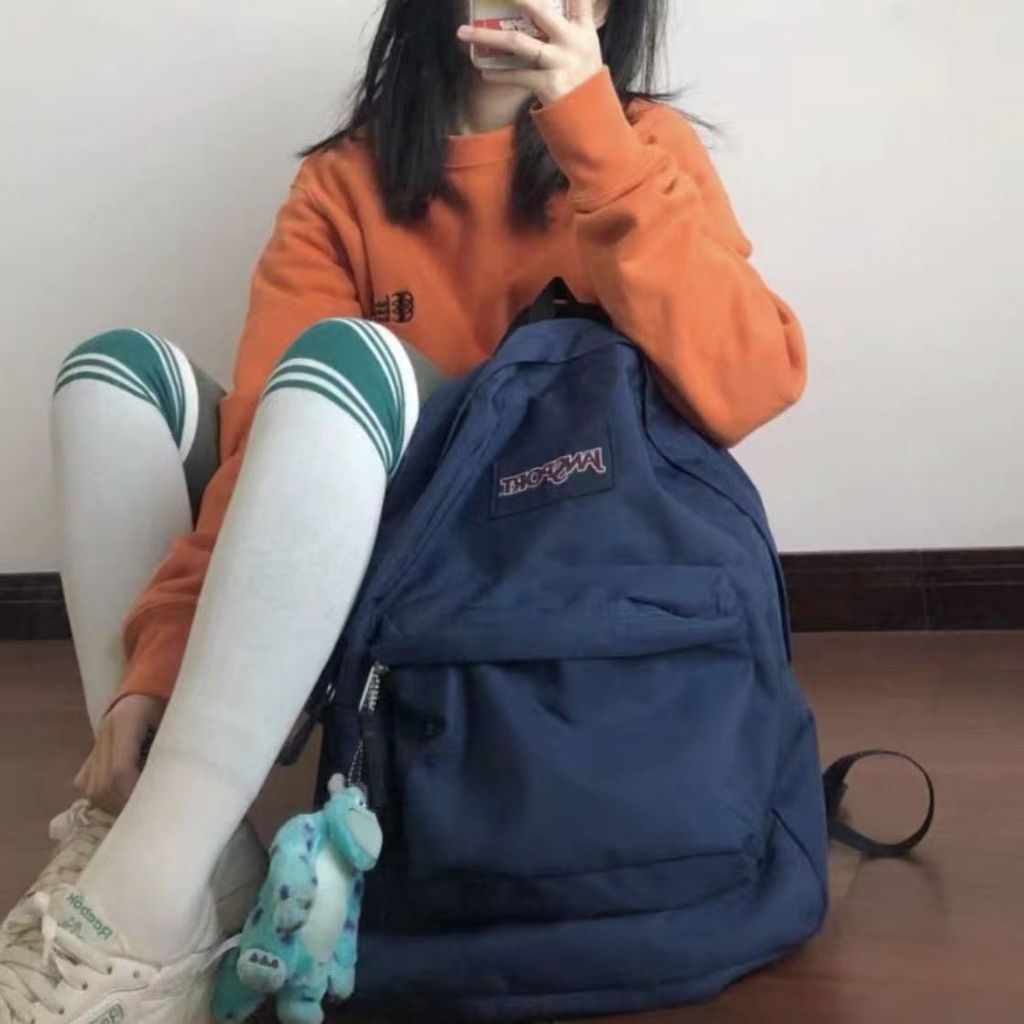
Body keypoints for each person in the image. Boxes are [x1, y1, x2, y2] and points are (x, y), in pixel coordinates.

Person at [0, 1, 807, 1021]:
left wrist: (590, 130)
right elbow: (256, 455)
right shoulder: (343, 181)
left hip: (563, 555)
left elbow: (751, 382)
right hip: (354, 558)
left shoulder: (641, 144)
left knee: (346, 359)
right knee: (111, 378)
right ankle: (177, 846)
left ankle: (139, 910)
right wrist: (153, 661)